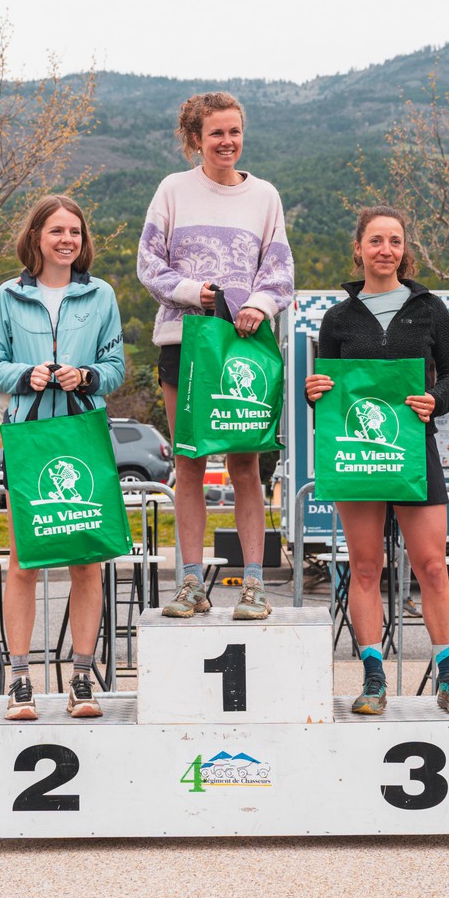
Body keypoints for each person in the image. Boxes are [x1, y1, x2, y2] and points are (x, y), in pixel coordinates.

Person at [305, 204, 449, 716]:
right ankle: (373, 678)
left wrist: (436, 400)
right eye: (376, 241)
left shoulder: (430, 308)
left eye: (395, 241)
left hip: (415, 452)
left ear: (405, 250)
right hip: (355, 454)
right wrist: (316, 393)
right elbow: (330, 395)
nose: (386, 250)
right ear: (358, 248)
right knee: (364, 568)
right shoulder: (337, 318)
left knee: (432, 566)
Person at [137, 91, 294, 620]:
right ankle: (190, 585)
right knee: (189, 462)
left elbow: (280, 271)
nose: (227, 142)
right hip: (184, 343)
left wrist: (257, 305)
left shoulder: (265, 196)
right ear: (195, 139)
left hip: (242, 347)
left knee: (245, 464)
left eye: (234, 131)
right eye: (216, 133)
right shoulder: (172, 190)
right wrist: (193, 293)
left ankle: (253, 586)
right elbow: (149, 264)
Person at [0, 194, 125, 721]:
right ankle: (20, 680)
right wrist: (27, 374)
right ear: (36, 238)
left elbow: (116, 366)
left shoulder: (101, 294)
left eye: (75, 232)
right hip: (29, 438)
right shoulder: (8, 295)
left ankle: (82, 679)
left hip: (84, 435)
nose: (67, 240)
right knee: (24, 561)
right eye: (57, 231)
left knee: (86, 560)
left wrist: (85, 376)